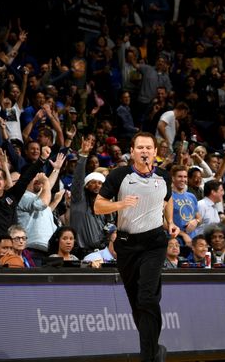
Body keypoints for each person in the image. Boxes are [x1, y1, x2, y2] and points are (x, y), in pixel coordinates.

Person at [95, 132, 179, 362]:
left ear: (155, 152)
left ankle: (148, 356)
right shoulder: (120, 175)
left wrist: (170, 222)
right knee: (136, 302)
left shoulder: (163, 176)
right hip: (126, 244)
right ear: (132, 151)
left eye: (148, 148)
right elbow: (98, 206)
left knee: (147, 298)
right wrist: (121, 203)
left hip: (154, 243)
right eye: (140, 147)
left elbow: (168, 198)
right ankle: (155, 350)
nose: (144, 151)